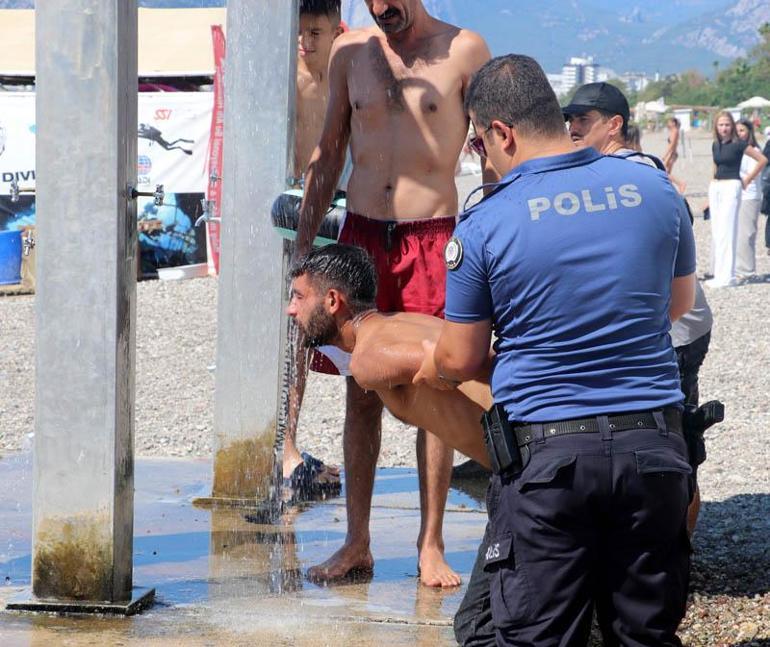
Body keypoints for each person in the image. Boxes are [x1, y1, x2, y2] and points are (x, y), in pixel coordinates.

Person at [420, 54, 698, 645]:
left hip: (550, 463)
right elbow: (676, 306)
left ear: (502, 132)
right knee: (646, 634)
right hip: (653, 448)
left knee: (538, 635)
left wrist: (436, 363)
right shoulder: (653, 187)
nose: (481, 157)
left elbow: (461, 358)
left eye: (478, 143)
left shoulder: (486, 222)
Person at [294, 0, 492, 587]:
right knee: (362, 388)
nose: (384, 9)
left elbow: (490, 159)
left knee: (437, 381)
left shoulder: (465, 51)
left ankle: (430, 544)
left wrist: (501, 245)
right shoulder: (351, 52)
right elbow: (329, 147)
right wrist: (305, 247)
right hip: (359, 235)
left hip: (433, 236)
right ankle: (357, 543)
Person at [281, 0, 345, 503]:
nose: (306, 42)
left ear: (335, 27)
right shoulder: (290, 77)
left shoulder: (347, 69)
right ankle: (287, 448)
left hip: (337, 213)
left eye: (316, 32)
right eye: (301, 32)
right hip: (296, 214)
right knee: (295, 338)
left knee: (332, 334)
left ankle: (292, 448)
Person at [706, 111, 766, 288]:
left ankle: (728, 276)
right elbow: (715, 165)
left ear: (731, 126)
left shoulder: (739, 144)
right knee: (717, 230)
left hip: (732, 185)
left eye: (727, 125)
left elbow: (762, 159)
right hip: (716, 186)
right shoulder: (715, 145)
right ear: (716, 127)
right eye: (721, 125)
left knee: (728, 229)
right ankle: (719, 273)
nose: (724, 128)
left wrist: (747, 179)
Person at [735, 118, 764, 278]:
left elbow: (757, 168)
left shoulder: (754, 150)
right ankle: (739, 266)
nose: (739, 133)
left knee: (747, 233)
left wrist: (747, 180)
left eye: (742, 130)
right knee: (739, 232)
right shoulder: (736, 149)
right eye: (737, 130)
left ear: (749, 132)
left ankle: (747, 269)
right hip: (738, 194)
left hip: (750, 194)